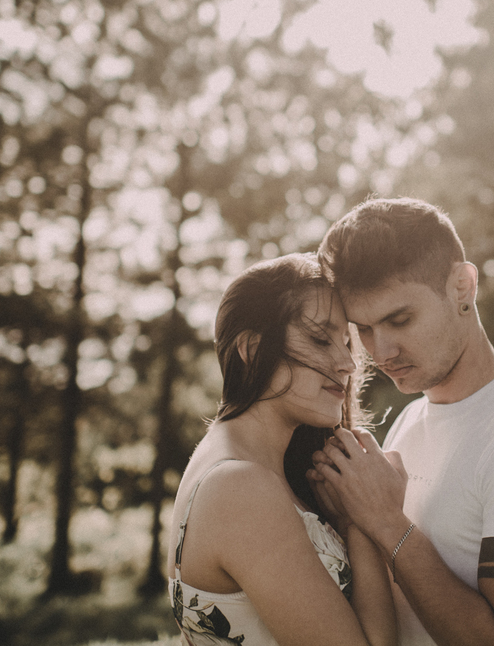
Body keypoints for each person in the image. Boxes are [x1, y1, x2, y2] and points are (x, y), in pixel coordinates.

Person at [310, 197, 494, 646]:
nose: (380, 351)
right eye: (362, 329)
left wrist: (387, 522)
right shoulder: (411, 419)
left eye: (399, 319)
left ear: (462, 286)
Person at [168, 252, 396, 646]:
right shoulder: (240, 487)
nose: (347, 363)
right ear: (253, 350)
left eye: (346, 343)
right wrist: (364, 517)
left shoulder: (243, 466)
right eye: (320, 338)